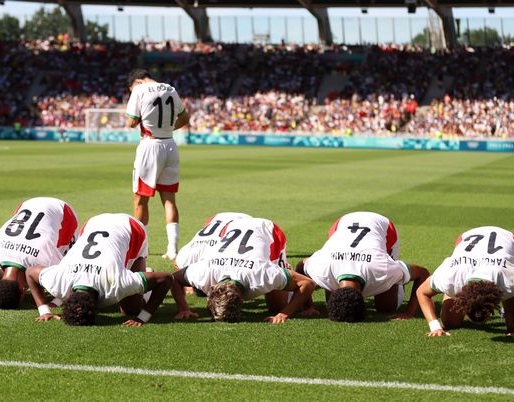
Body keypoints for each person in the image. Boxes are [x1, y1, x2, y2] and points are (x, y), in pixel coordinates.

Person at [25, 213, 172, 326]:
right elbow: (30, 272)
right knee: (128, 302)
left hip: (131, 228)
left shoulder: (116, 284)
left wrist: (144, 317)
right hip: (92, 223)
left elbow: (166, 278)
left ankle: (145, 274)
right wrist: (44, 310)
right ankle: (142, 277)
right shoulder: (58, 282)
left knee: (130, 309)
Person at [416, 226, 514, 341]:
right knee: (450, 321)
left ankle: (513, 302)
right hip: (467, 240)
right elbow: (421, 292)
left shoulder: (511, 279)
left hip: (508, 241)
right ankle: (451, 295)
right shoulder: (450, 276)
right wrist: (435, 326)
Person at [171, 217, 312, 323]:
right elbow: (174, 278)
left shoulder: (261, 275)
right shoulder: (204, 272)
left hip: (268, 230)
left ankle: (286, 269)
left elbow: (307, 283)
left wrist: (284, 313)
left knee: (277, 306)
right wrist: (183, 308)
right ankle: (285, 276)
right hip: (232, 226)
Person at [297, 212, 429, 322]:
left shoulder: (382, 270)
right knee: (334, 302)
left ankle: (400, 277)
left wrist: (409, 312)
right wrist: (307, 306)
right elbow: (300, 267)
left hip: (383, 226)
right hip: (342, 224)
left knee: (387, 306)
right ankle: (399, 274)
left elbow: (422, 273)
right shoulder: (321, 267)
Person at [125, 69, 190, 260]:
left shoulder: (139, 90)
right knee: (169, 199)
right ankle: (173, 249)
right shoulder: (170, 88)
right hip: (170, 144)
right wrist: (168, 128)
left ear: (136, 81)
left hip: (150, 146)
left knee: (140, 200)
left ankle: (139, 249)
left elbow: (131, 122)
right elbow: (185, 118)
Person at [0, 197, 79, 309]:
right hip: (27, 204)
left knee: (69, 256)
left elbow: (69, 279)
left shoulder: (46, 261)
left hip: (62, 211)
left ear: (23, 289)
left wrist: (56, 302)